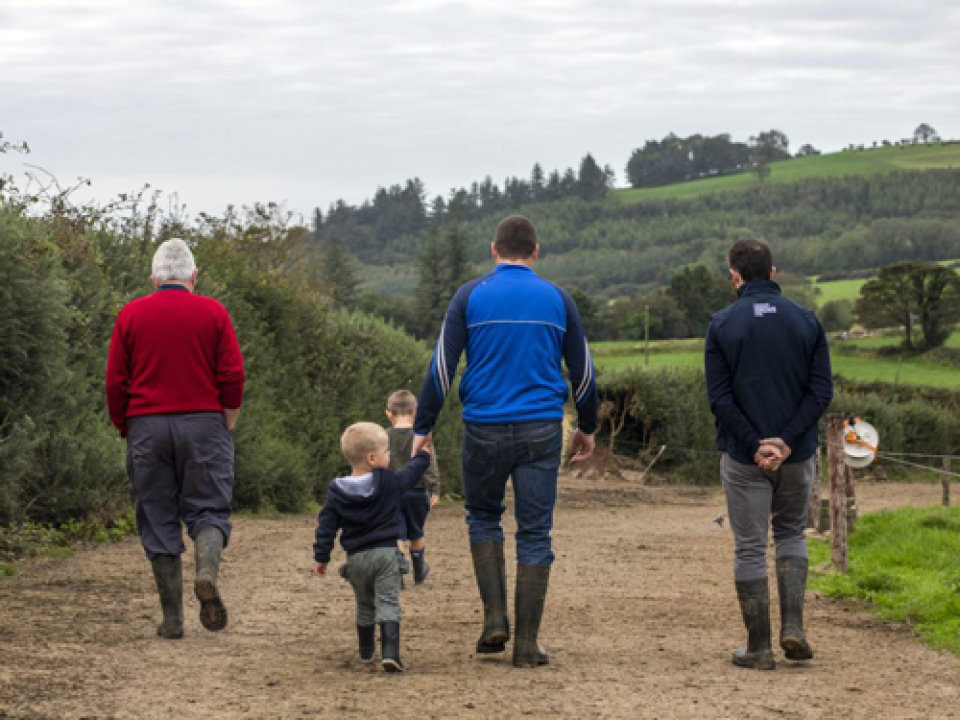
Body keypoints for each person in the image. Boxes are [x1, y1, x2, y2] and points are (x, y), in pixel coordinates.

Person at [411, 215, 598, 668]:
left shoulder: (469, 296)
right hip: (540, 429)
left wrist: (423, 425)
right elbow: (584, 373)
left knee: (483, 518)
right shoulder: (559, 299)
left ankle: (495, 619)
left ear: (494, 251)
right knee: (535, 532)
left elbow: (442, 368)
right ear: (536, 252)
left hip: (483, 428)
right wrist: (587, 428)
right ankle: (528, 644)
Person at [105, 238, 245, 639]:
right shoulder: (213, 312)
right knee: (209, 508)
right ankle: (205, 571)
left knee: (156, 513)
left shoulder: (131, 315)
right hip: (204, 423)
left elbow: (116, 381)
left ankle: (172, 619)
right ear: (193, 276)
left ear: (154, 278)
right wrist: (228, 419)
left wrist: (124, 425)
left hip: (147, 426)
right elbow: (233, 375)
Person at [704, 239, 833, 670]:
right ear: (773, 273)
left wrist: (755, 443)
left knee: (750, 547)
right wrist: (788, 442)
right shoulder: (807, 321)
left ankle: (758, 648)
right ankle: (793, 627)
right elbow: (820, 393)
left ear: (735, 277)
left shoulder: (721, 325)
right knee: (793, 534)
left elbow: (719, 399)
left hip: (744, 459)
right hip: (797, 456)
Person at [313, 422, 433, 672]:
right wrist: (423, 455)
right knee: (388, 601)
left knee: (364, 604)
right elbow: (410, 475)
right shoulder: (388, 482)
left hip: (356, 560)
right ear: (371, 458)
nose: (389, 456)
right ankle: (390, 654)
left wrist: (322, 557)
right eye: (386, 452)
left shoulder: (337, 491)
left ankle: (366, 652)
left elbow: (326, 526)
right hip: (386, 556)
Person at [385, 390, 440, 586]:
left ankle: (398, 574)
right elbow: (429, 464)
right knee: (416, 532)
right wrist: (434, 490)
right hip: (417, 493)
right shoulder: (423, 437)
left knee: (396, 532)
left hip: (391, 494)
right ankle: (419, 572)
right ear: (415, 413)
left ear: (389, 414)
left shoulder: (383, 437)